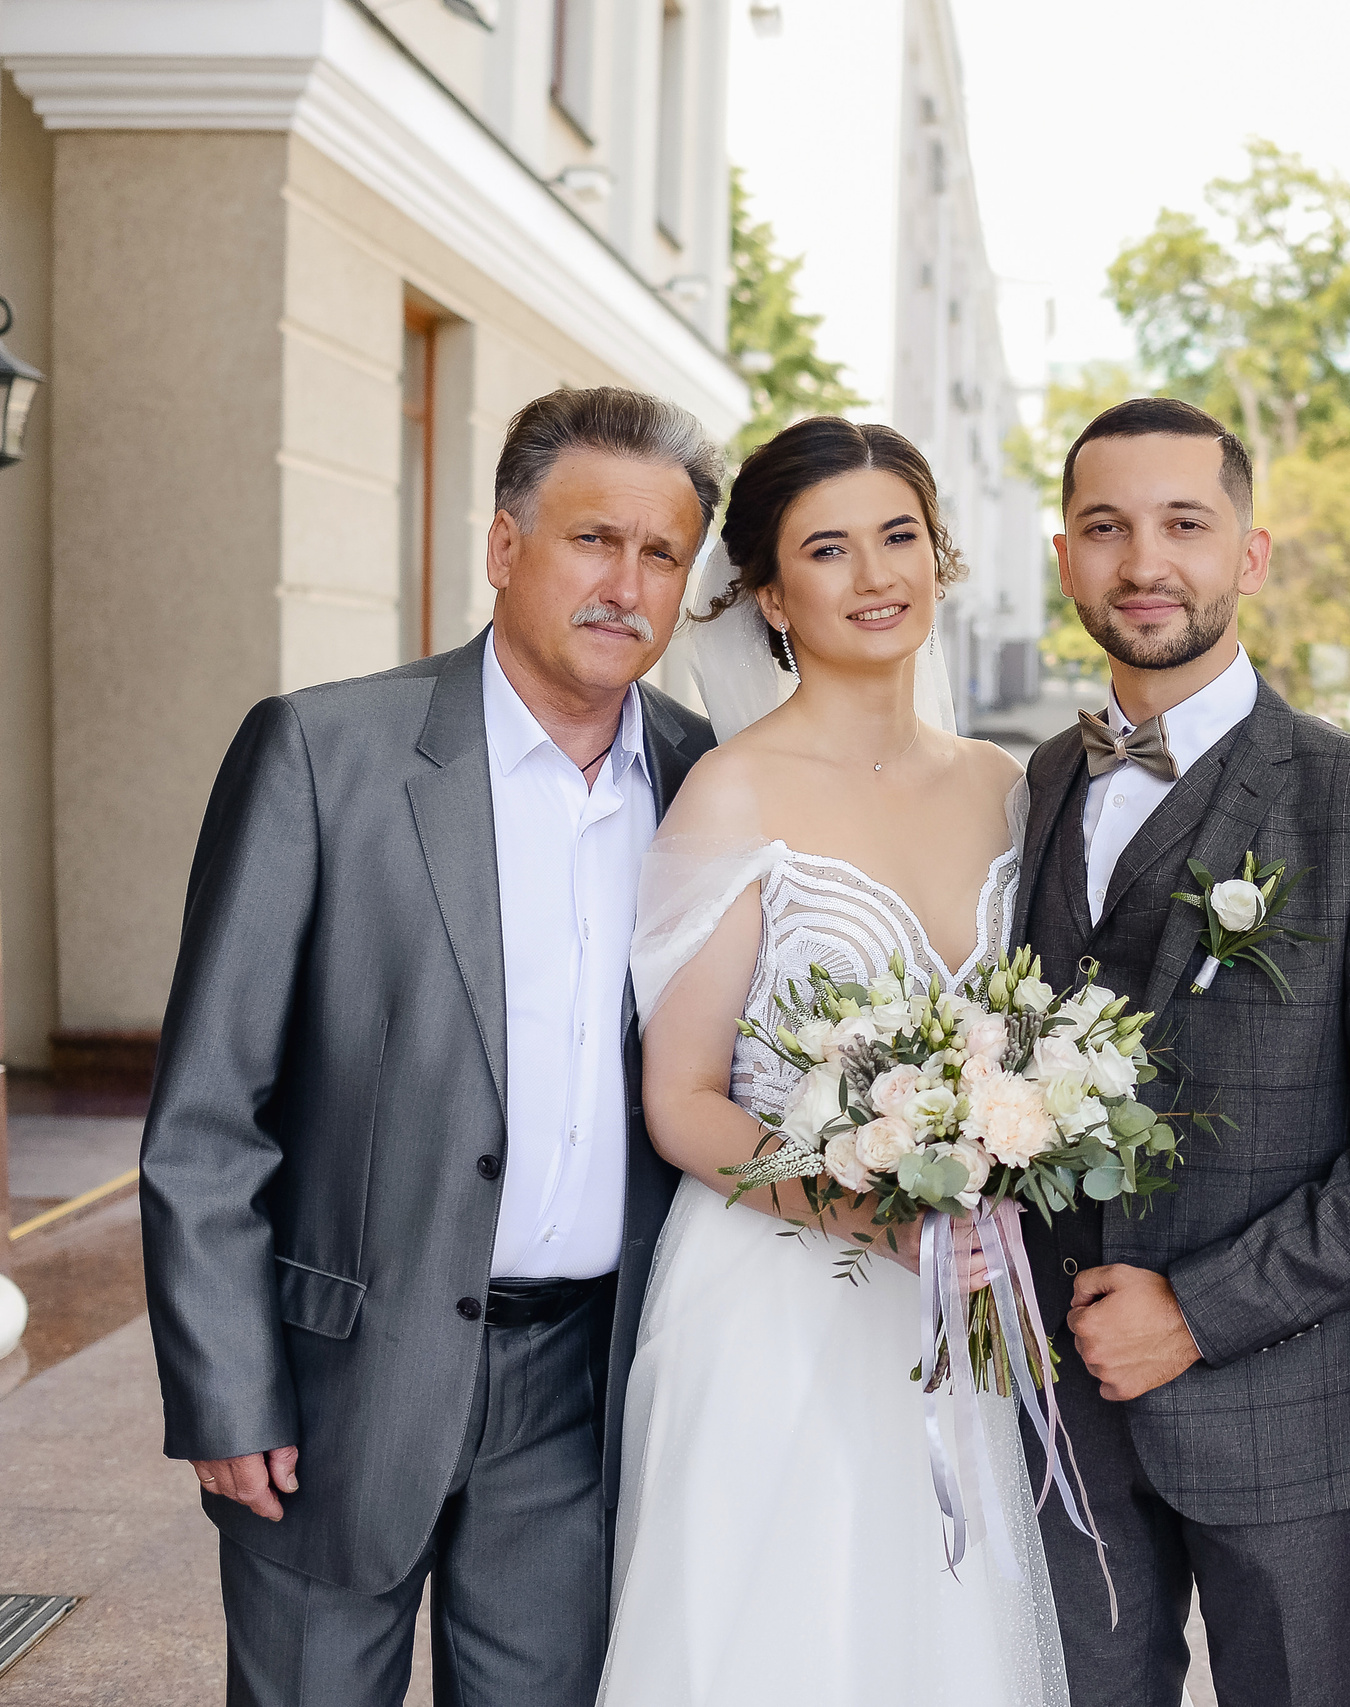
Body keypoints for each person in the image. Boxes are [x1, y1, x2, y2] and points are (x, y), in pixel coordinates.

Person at [140, 387, 723, 1705]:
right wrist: (226, 1387)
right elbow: (208, 1114)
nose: (625, 584)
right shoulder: (322, 751)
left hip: (580, 1390)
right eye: (593, 539)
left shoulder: (706, 779)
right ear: (505, 545)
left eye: (662, 553)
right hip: (337, 1378)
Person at [1011, 395, 1350, 1707]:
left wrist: (1196, 1313)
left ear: (1250, 552)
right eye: (1106, 528)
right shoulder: (1037, 784)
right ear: (1065, 559)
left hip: (1293, 1401)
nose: (1144, 562)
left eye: (1185, 523)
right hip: (1059, 1403)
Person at [600, 416, 1065, 1704]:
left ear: (939, 558)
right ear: (768, 595)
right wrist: (871, 1217)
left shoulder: (1004, 786)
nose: (874, 576)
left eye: (899, 536)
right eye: (827, 549)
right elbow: (680, 1098)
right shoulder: (733, 791)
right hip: (778, 1297)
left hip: (954, 1306)